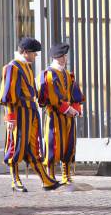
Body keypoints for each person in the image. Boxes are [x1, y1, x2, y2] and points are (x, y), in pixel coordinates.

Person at [0, 37, 60, 192]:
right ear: (25, 52)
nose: (36, 56)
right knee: (15, 145)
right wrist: (10, 118)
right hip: (18, 113)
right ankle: (15, 180)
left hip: (30, 112)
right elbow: (8, 96)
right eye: (33, 53)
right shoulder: (13, 67)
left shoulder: (26, 67)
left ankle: (46, 180)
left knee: (32, 147)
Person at [37, 43, 84, 185]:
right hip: (54, 116)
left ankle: (66, 175)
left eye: (64, 56)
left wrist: (76, 109)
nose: (64, 59)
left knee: (69, 144)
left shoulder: (68, 74)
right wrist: (66, 108)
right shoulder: (48, 74)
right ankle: (51, 175)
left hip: (68, 116)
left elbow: (74, 93)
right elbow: (49, 96)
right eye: (61, 56)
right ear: (55, 57)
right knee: (52, 144)